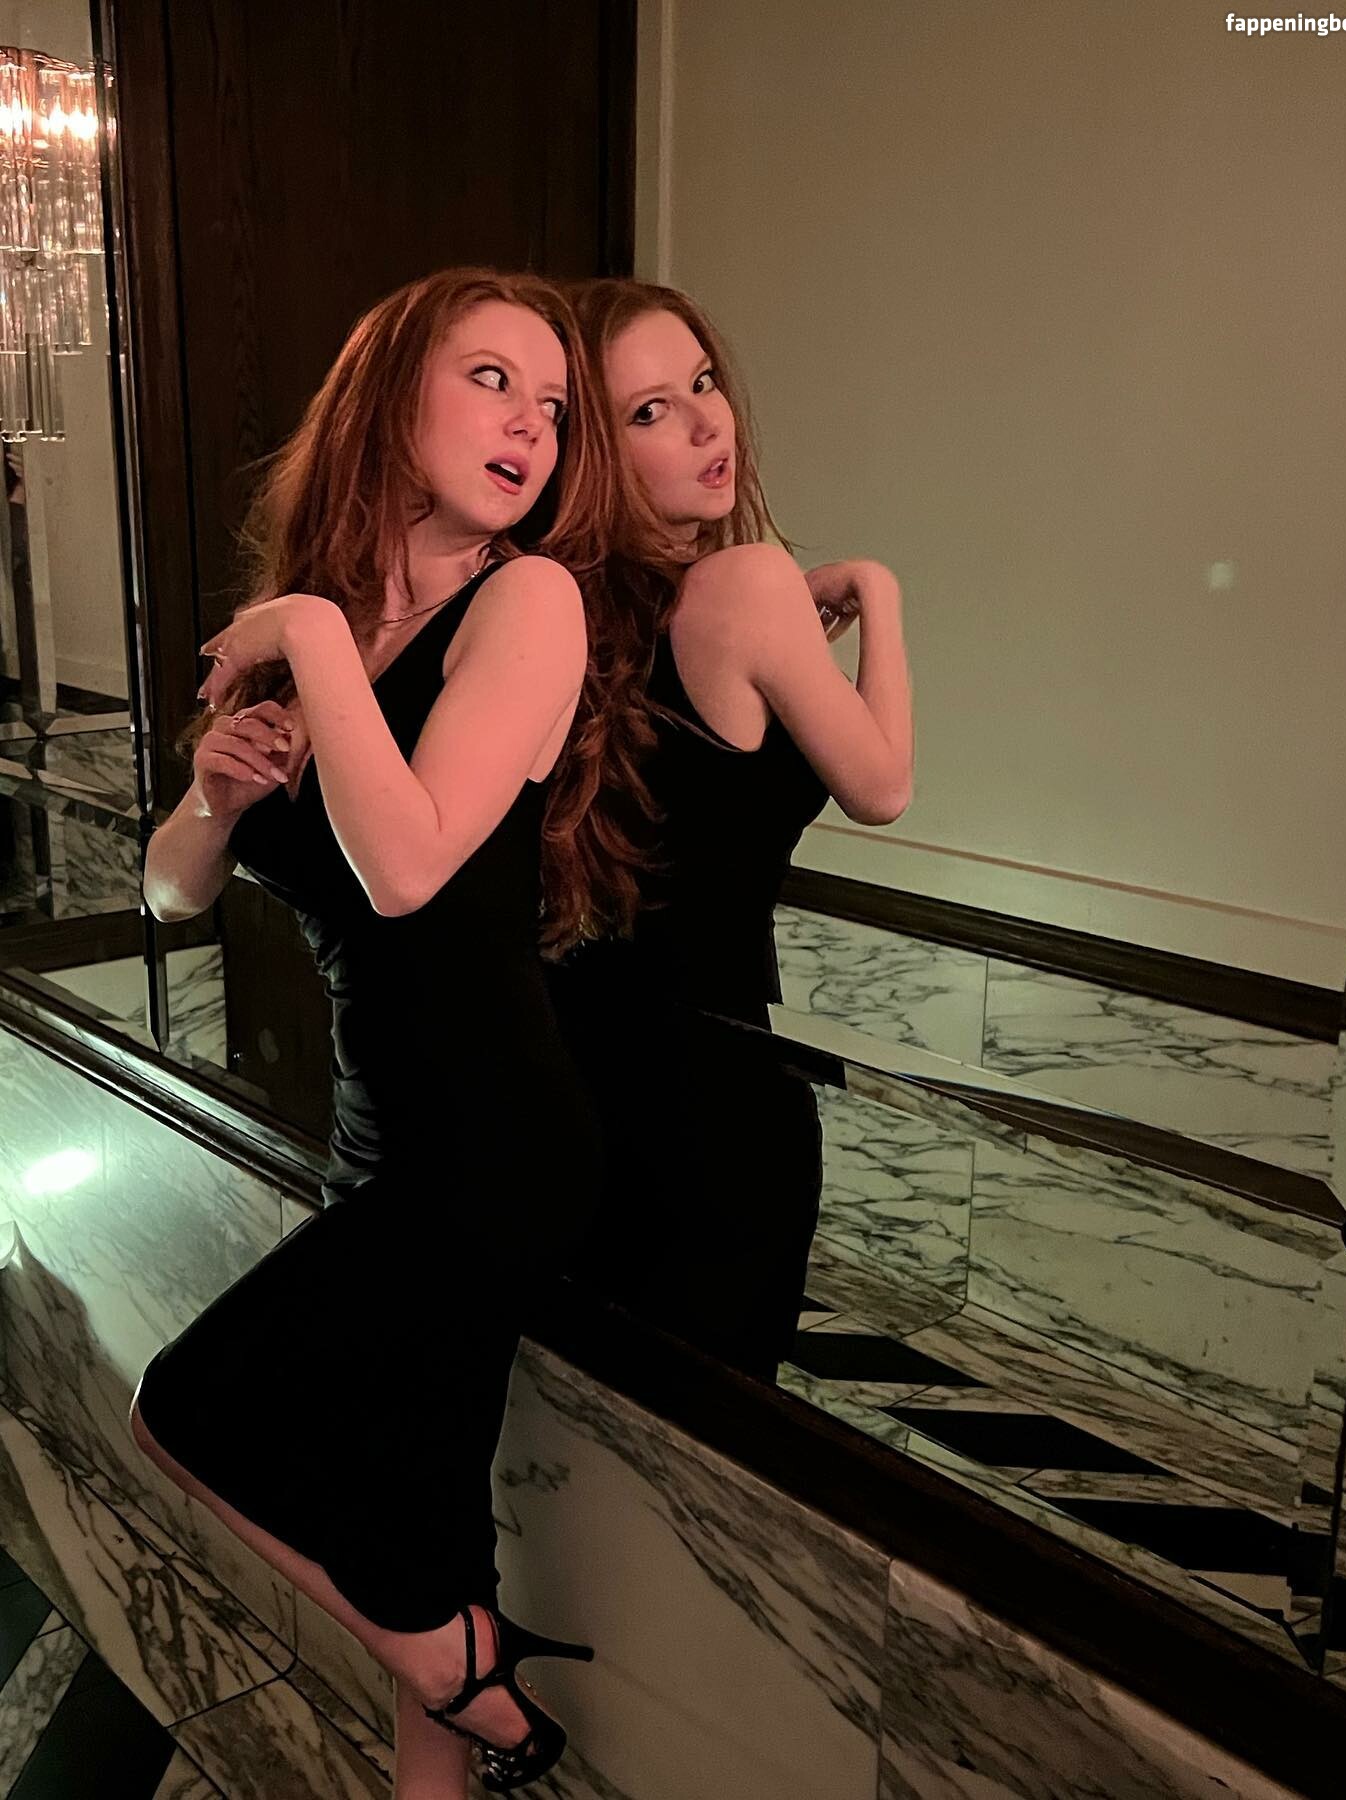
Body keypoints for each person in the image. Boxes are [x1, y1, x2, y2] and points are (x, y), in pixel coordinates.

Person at [129, 268, 655, 1797]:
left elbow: (408, 868)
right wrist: (216, 791)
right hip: (379, 1135)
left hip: (491, 1145)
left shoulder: (528, 602)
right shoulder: (340, 627)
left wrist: (303, 630)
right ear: (391, 393)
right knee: (425, 1519)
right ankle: (452, 1676)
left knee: (189, 1411)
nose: (533, 424)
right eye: (494, 379)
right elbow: (169, 892)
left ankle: (460, 1664)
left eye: (553, 405)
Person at [549, 278, 913, 1383]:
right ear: (593, 454)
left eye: (703, 383)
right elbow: (883, 785)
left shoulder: (546, 616)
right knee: (707, 1447)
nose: (709, 424)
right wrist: (880, 596)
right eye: (650, 411)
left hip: (561, 1098)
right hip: (713, 1106)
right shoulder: (748, 585)